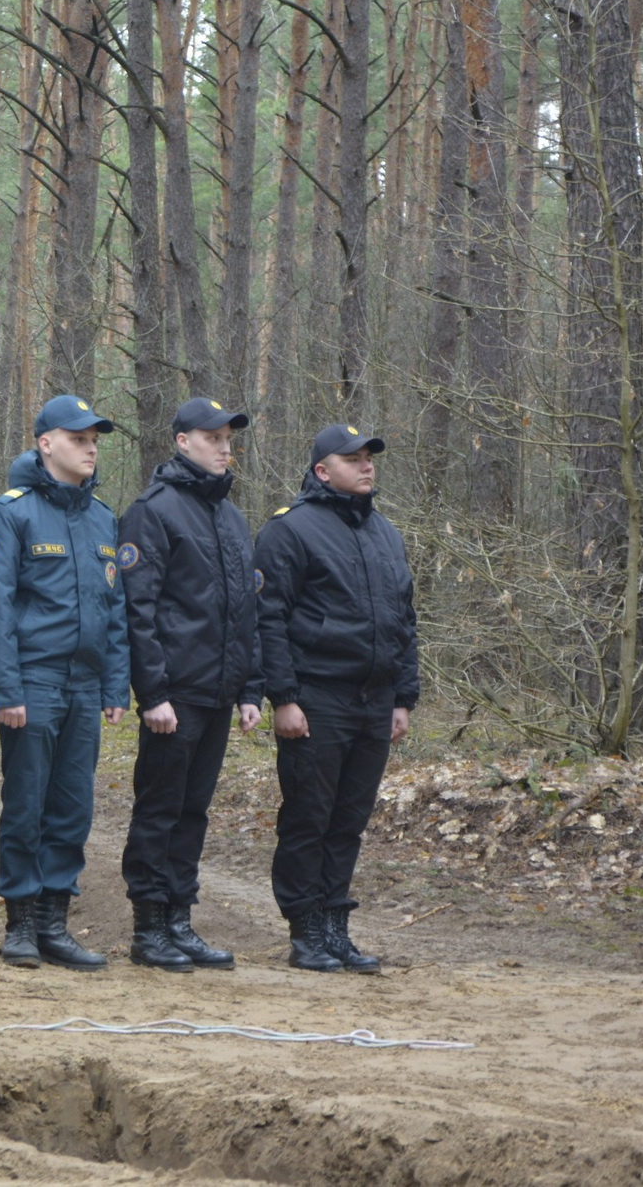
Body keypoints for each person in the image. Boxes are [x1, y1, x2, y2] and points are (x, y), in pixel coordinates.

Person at [0, 396, 130, 970]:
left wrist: (115, 686)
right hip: (34, 681)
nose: (90, 448)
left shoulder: (103, 518)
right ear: (46, 443)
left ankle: (53, 924)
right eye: (78, 438)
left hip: (85, 685)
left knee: (72, 807)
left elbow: (115, 611)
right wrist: (7, 690)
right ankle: (19, 922)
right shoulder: (10, 514)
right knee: (27, 803)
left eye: (95, 440)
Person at [254, 424, 419, 973]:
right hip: (316, 696)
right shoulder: (290, 530)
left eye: (370, 456)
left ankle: (334, 926)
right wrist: (283, 697)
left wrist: (403, 697)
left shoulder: (385, 533)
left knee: (349, 820)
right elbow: (269, 619)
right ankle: (305, 930)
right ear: (323, 470)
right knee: (310, 816)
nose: (367, 465)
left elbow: (404, 621)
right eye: (353, 458)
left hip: (375, 700)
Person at [115, 397, 263, 973]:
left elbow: (245, 611)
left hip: (219, 691)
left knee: (194, 810)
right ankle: (149, 926)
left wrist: (250, 689)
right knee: (160, 809)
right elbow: (139, 610)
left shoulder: (231, 517)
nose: (224, 447)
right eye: (212, 437)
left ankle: (179, 919)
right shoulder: (153, 511)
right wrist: (152, 694)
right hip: (174, 694)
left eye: (227, 438)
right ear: (182, 441)